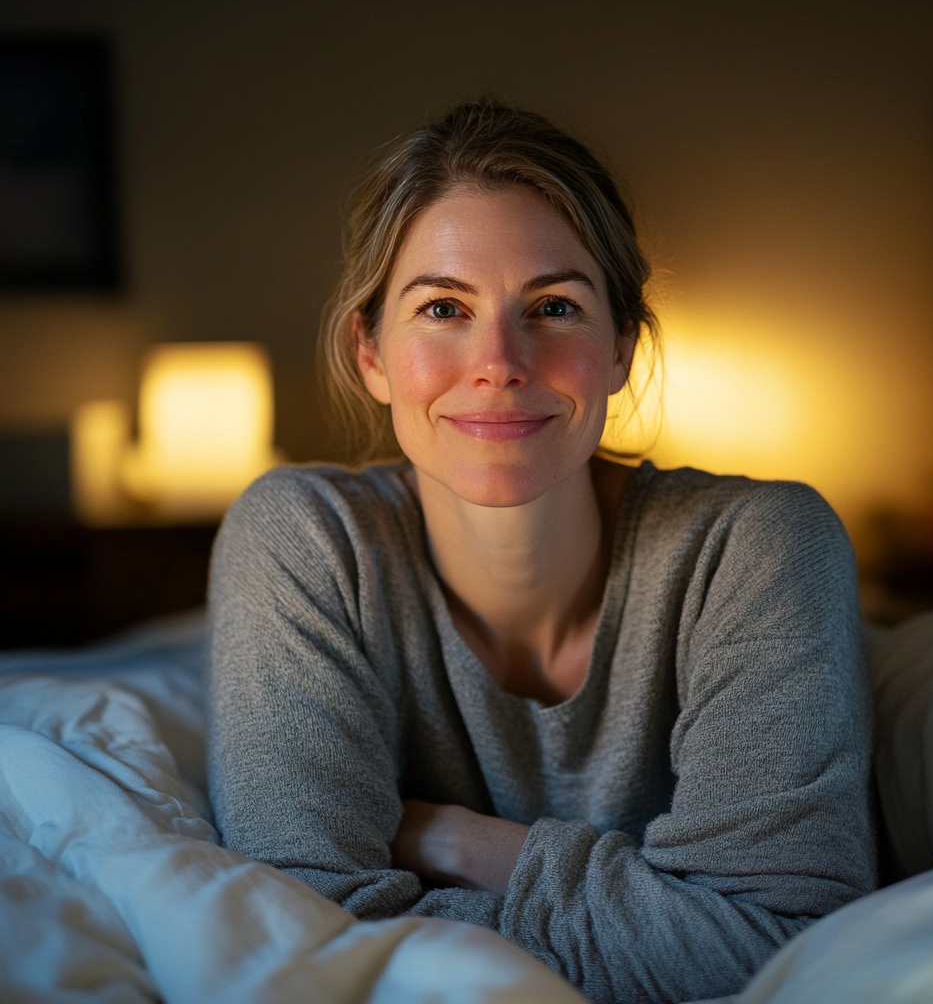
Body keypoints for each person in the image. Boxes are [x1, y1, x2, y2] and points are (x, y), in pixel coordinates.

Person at [208, 100, 875, 1004]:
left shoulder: (755, 548)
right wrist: (660, 919)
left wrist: (457, 841)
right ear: (371, 352)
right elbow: (303, 930)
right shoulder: (305, 539)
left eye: (553, 307)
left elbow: (772, 947)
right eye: (443, 307)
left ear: (621, 350)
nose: (500, 361)